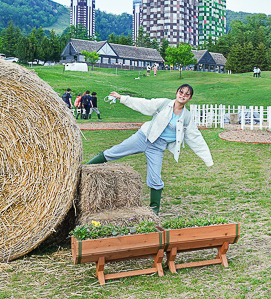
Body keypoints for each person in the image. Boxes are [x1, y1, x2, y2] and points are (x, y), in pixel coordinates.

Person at [85, 84, 213, 213]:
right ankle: (84, 169)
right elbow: (145, 104)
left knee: (155, 179)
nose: (183, 95)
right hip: (143, 138)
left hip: (157, 148)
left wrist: (207, 159)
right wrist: (122, 98)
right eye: (181, 92)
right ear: (176, 92)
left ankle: (154, 211)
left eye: (187, 94)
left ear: (190, 98)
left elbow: (195, 137)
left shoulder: (186, 116)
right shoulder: (164, 104)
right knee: (113, 152)